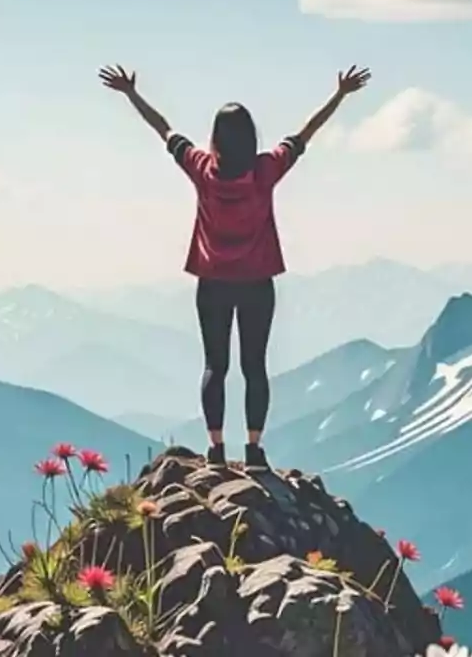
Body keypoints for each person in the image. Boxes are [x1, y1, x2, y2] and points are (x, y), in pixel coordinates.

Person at [99, 64, 371, 469]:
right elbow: (305, 134)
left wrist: (130, 94)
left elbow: (164, 130)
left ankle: (215, 449)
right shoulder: (264, 172)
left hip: (212, 283)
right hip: (258, 283)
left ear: (216, 138)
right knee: (254, 366)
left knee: (215, 365)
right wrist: (340, 95)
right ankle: (255, 449)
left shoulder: (202, 170)